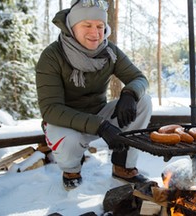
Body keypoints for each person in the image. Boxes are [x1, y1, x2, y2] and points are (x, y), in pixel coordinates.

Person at [35, 0, 152, 190]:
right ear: (72, 26)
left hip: (99, 115)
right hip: (65, 123)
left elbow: (139, 78)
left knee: (143, 101)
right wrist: (100, 125)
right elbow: (50, 109)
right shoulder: (52, 56)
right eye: (87, 25)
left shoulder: (110, 52)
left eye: (100, 26)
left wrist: (130, 94)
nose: (95, 32)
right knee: (69, 140)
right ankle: (71, 170)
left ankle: (123, 166)